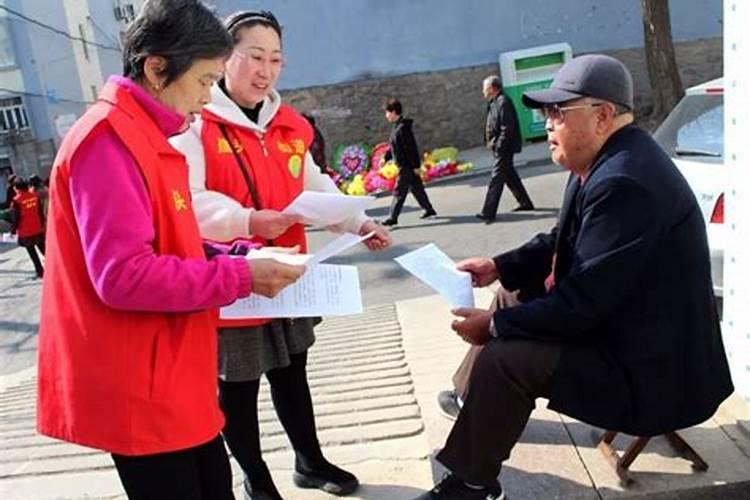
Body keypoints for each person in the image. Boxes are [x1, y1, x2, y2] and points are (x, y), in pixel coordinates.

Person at [414, 54, 733, 500]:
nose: (545, 123)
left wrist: (492, 329)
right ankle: (475, 401)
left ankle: (472, 484)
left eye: (557, 113)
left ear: (602, 116)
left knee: (508, 357)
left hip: (653, 371)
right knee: (510, 294)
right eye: (545, 112)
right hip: (625, 335)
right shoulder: (604, 160)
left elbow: (580, 305)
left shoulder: (626, 181)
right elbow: (559, 240)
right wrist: (498, 266)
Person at [36, 2, 305, 499]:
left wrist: (234, 256)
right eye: (204, 81)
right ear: (157, 68)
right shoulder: (108, 141)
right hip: (141, 381)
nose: (208, 97)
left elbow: (169, 237)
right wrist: (241, 278)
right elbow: (123, 276)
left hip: (177, 370)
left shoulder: (151, 135)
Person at [171, 10, 392, 500]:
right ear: (227, 58)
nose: (265, 70)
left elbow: (314, 186)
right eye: (254, 56)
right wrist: (249, 221)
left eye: (275, 59)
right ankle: (256, 478)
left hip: (291, 272)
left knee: (293, 372)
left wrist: (359, 222)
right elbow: (189, 199)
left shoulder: (290, 125)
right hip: (235, 280)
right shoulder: (197, 122)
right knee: (240, 388)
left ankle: (309, 462)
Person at [476, 75, 534, 223]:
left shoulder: (503, 102)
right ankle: (525, 203)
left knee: (496, 179)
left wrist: (499, 146)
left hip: (504, 148)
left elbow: (507, 128)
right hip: (499, 147)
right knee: (510, 175)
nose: (483, 91)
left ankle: (488, 212)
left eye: (485, 88)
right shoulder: (494, 102)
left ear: (492, 88)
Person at [380, 98, 436, 226]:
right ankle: (429, 209)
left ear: (394, 112)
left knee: (399, 192)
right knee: (417, 188)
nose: (386, 115)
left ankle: (392, 217)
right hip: (405, 165)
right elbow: (394, 146)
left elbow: (411, 148)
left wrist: (416, 165)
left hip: (406, 165)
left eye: (387, 112)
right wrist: (386, 157)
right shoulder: (397, 127)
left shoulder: (403, 128)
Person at [10, 177, 46, 278]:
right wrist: (42, 224)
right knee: (44, 250)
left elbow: (15, 218)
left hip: (26, 232)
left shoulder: (16, 201)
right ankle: (55, 265)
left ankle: (40, 272)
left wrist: (13, 231)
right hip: (38, 228)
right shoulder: (35, 196)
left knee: (33, 253)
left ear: (17, 188)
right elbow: (40, 212)